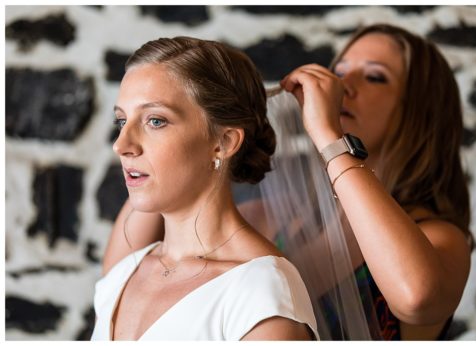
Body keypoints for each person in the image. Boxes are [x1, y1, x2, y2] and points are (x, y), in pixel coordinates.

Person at [103, 24, 472, 340]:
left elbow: (416, 298)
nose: (345, 85)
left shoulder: (438, 237)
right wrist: (171, 125)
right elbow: (118, 277)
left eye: (374, 76)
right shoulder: (272, 218)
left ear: (419, 108)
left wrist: (328, 135)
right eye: (340, 70)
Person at [93, 37, 317, 340]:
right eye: (122, 121)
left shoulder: (259, 292)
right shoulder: (123, 275)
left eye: (155, 121)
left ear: (223, 143)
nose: (122, 145)